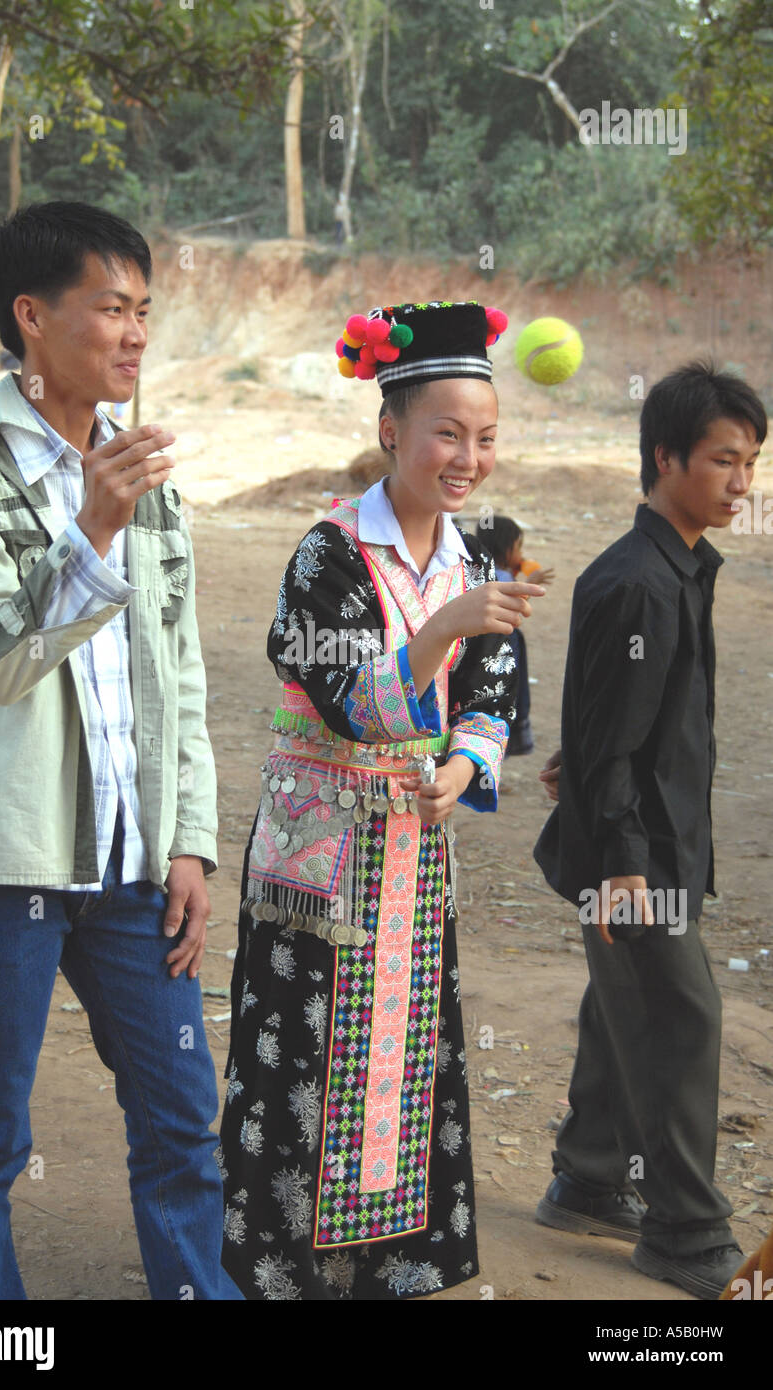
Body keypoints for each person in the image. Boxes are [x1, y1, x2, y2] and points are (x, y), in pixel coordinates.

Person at [0, 200, 241, 1301]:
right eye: (113, 308)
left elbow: (179, 679)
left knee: (183, 1109)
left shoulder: (145, 478)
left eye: (146, 310)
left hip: (135, 864)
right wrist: (90, 531)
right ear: (33, 317)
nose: (136, 333)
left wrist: (187, 839)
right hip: (4, 861)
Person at [217, 300, 545, 1299]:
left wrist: (462, 768)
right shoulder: (327, 554)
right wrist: (444, 620)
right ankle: (285, 1277)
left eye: (485, 437)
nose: (468, 456)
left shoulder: (482, 549)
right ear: (389, 430)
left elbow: (493, 698)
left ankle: (398, 1269)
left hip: (415, 854)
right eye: (447, 432)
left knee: (410, 1070)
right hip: (323, 867)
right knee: (302, 1072)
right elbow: (354, 704)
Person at [532, 360, 767, 1301]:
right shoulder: (642, 581)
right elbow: (618, 738)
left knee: (619, 1003)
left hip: (646, 842)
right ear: (664, 457)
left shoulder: (675, 568)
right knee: (680, 1017)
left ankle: (591, 1177)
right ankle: (683, 1229)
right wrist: (625, 865)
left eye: (751, 464)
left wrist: (583, 758)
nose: (742, 484)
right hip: (637, 859)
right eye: (723, 461)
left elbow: (618, 721)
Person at [478, 514, 553, 755]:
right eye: (519, 547)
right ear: (506, 547)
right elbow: (510, 607)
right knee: (504, 700)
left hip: (497, 647)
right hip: (500, 647)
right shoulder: (499, 577)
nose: (521, 554)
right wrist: (530, 583)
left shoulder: (487, 570)